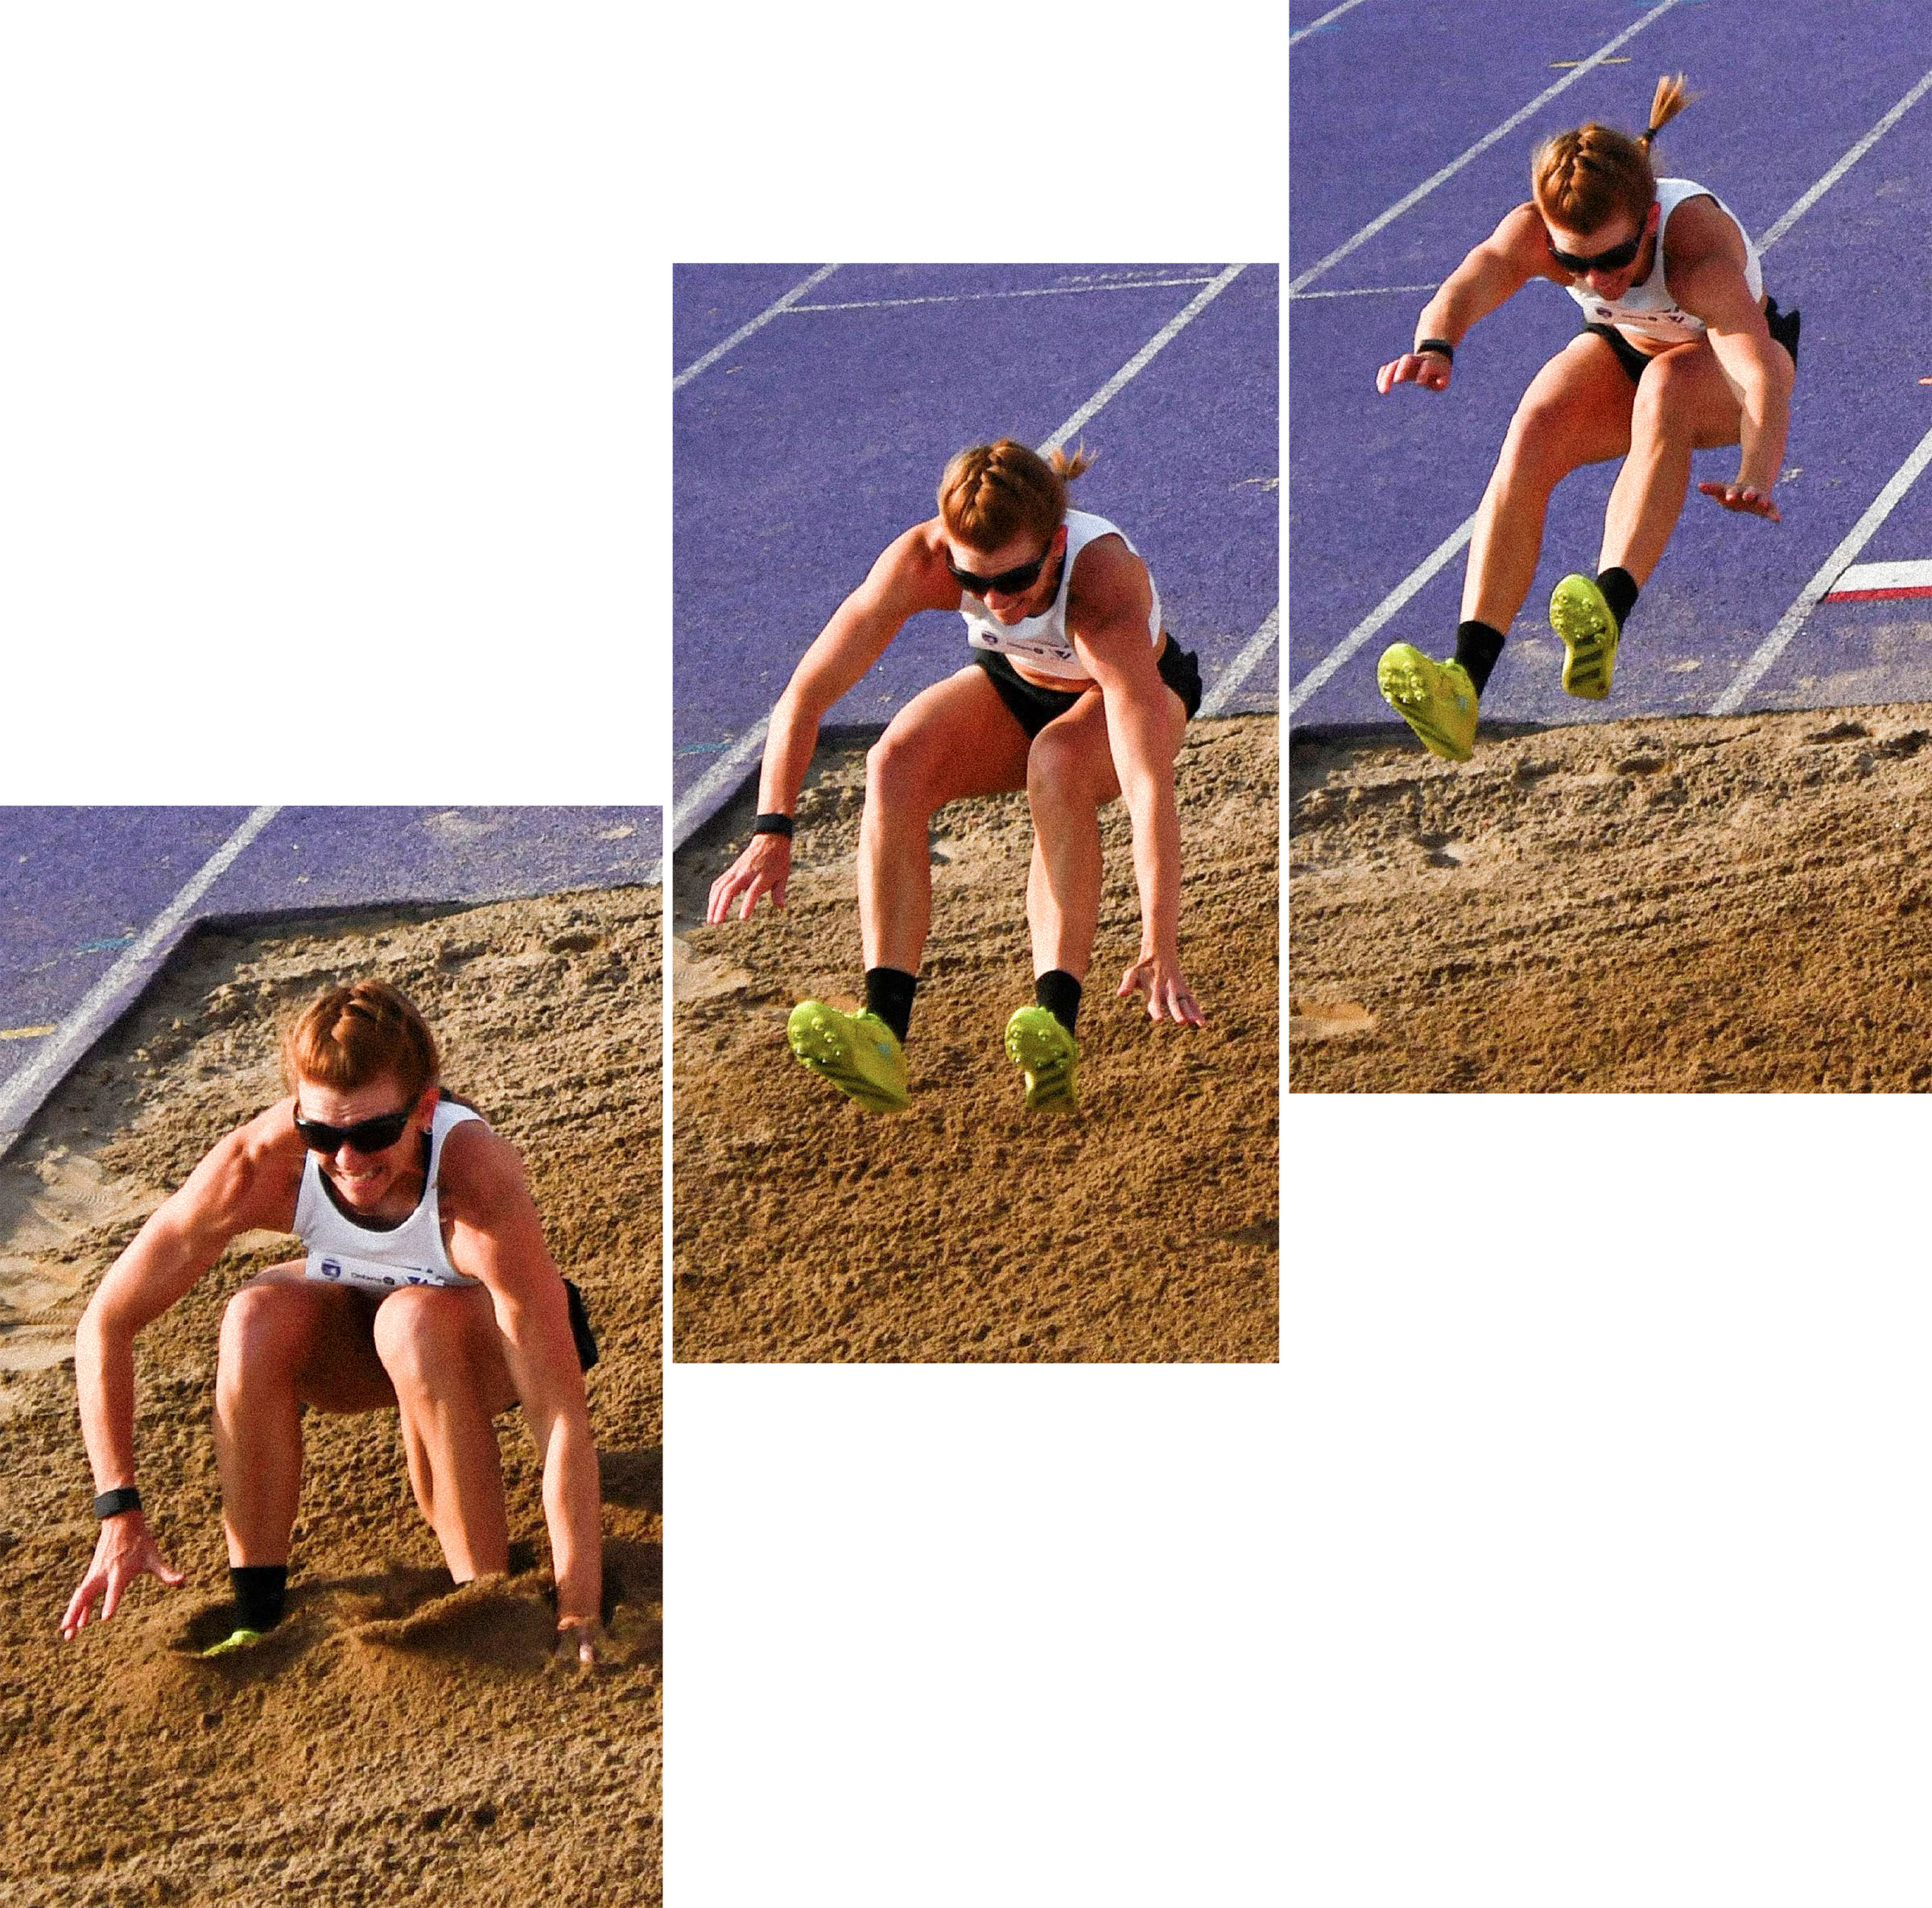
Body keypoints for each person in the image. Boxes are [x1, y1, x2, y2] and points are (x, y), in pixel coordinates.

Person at [60, 980, 604, 1662]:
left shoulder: (473, 1179)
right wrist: (118, 1510)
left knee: (412, 1325)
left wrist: (578, 1604)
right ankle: (257, 1614)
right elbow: (105, 1321)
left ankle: (487, 1604)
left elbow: (559, 1416)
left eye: (375, 1133)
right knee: (254, 1315)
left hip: (482, 1345)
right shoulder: (259, 1164)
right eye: (322, 1133)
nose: (348, 1161)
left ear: (425, 1109)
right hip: (369, 1331)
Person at [705, 437, 1208, 1113]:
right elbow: (807, 692)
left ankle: (1054, 1026)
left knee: (1056, 762)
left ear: (1056, 546)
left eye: (1014, 581)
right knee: (894, 761)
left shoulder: (1104, 585)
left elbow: (1148, 787)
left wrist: (1159, 941)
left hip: (1135, 694)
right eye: (974, 583)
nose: (995, 603)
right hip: (1014, 683)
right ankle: (883, 1033)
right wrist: (773, 828)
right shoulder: (921, 561)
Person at [1373, 74, 1798, 761]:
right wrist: (1434, 345)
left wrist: (1757, 467)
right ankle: (1463, 684)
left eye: (1615, 259)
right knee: (1533, 427)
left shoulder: (1694, 247)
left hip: (1727, 368)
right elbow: (1470, 280)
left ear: (1650, 225)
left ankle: (1609, 604)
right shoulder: (1538, 234)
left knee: (1664, 390)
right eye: (1577, 263)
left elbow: (1762, 372)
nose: (1597, 280)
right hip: (1625, 349)